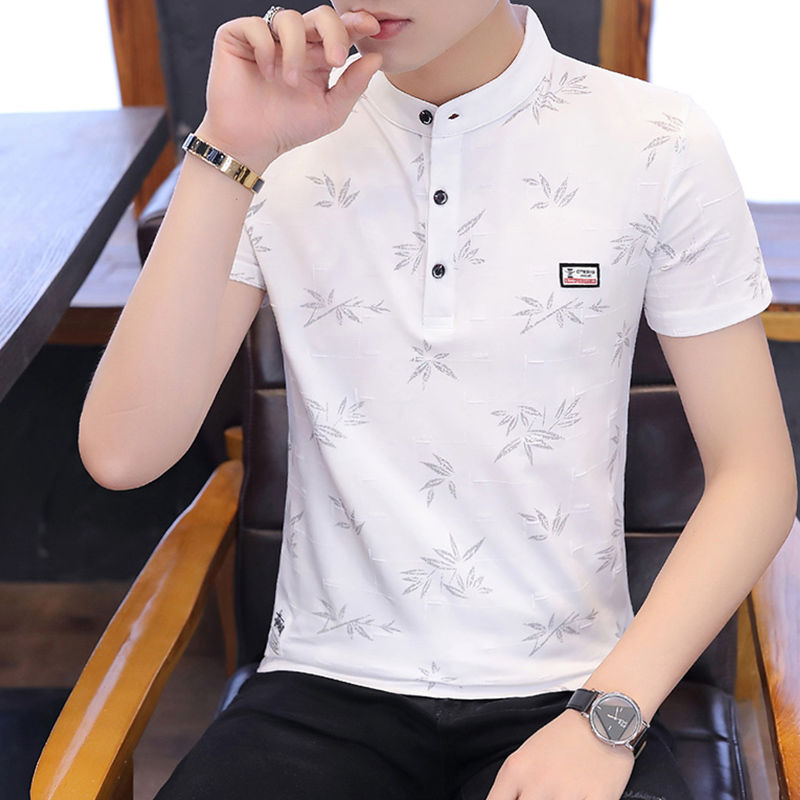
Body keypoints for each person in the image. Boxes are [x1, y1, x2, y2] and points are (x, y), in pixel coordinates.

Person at [78, 2, 797, 799]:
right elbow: (123, 453)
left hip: (574, 689)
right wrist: (230, 151)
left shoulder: (658, 140)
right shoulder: (276, 142)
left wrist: (606, 718)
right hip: (320, 687)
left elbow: (756, 475)